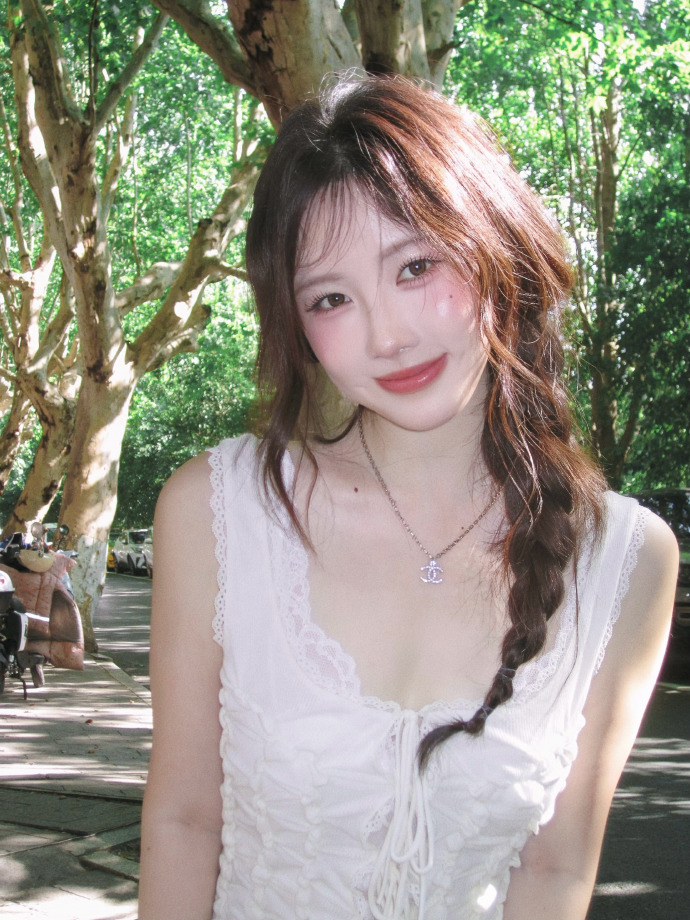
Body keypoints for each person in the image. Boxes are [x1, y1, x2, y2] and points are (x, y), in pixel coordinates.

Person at [138, 74, 677, 920]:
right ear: (297, 327)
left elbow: (556, 868)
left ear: (499, 247)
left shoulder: (626, 560)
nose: (387, 334)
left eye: (416, 266)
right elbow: (184, 819)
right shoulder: (219, 512)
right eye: (331, 298)